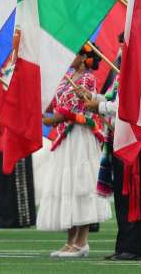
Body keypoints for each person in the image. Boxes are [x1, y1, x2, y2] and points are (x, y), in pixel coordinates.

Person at [83, 38, 141, 261]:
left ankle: (135, 247)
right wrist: (94, 99)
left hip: (134, 141)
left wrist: (99, 106)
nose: (121, 49)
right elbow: (114, 100)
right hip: (117, 139)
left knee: (135, 194)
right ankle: (124, 244)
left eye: (125, 44)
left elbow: (128, 106)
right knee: (122, 196)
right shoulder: (122, 74)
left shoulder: (139, 73)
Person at [38, 44, 111, 258]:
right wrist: (45, 108)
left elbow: (74, 109)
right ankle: (71, 241)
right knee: (67, 187)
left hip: (80, 136)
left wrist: (53, 118)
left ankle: (82, 241)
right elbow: (57, 104)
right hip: (66, 138)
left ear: (82, 58)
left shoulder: (88, 80)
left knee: (81, 185)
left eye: (73, 53)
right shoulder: (66, 77)